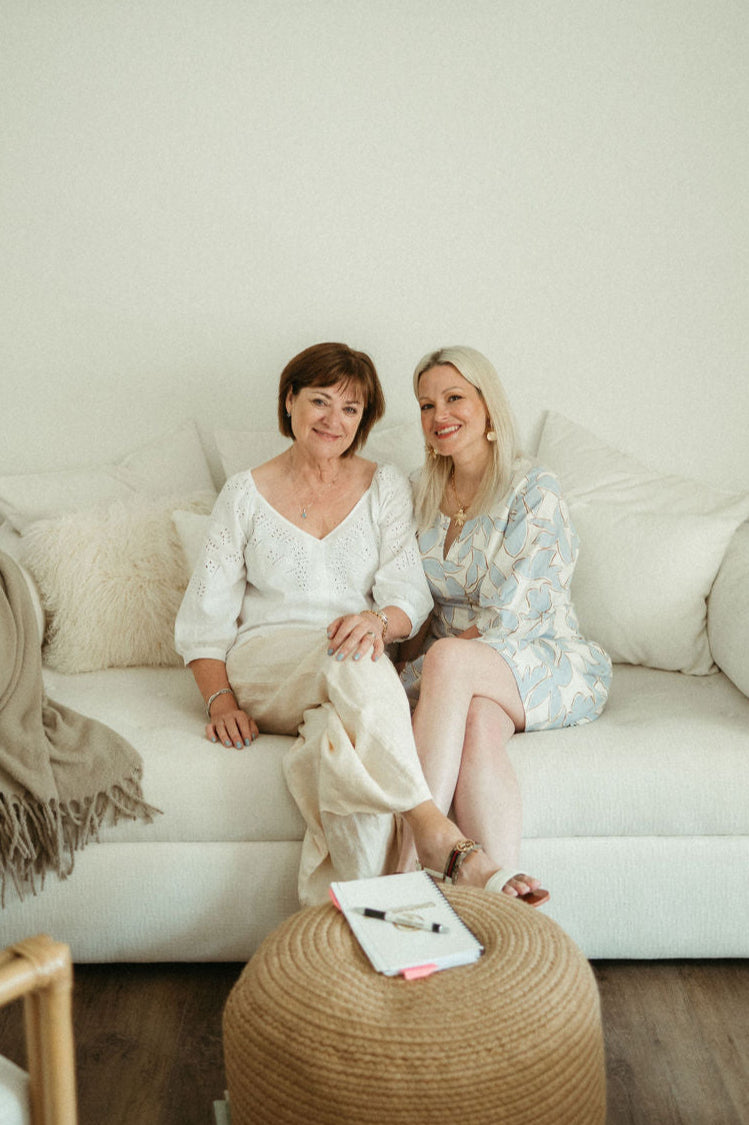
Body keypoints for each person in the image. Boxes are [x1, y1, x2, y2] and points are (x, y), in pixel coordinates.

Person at [175, 342, 536, 906]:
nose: (333, 420)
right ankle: (434, 830)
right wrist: (220, 700)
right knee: (353, 656)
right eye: (320, 400)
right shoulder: (243, 494)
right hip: (270, 666)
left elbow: (408, 593)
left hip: (358, 669)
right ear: (290, 400)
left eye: (350, 409)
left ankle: (375, 928)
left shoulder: (384, 485)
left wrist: (376, 619)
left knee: (336, 755)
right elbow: (204, 619)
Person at [399, 346, 613, 903]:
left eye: (453, 398)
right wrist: (393, 664)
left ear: (487, 407)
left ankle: (408, 866)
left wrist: (423, 674)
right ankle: (502, 900)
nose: (438, 414)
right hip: (470, 677)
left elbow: (511, 616)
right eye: (426, 404)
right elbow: (415, 602)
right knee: (475, 725)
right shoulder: (418, 494)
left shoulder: (533, 486)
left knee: (449, 662)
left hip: (544, 657)